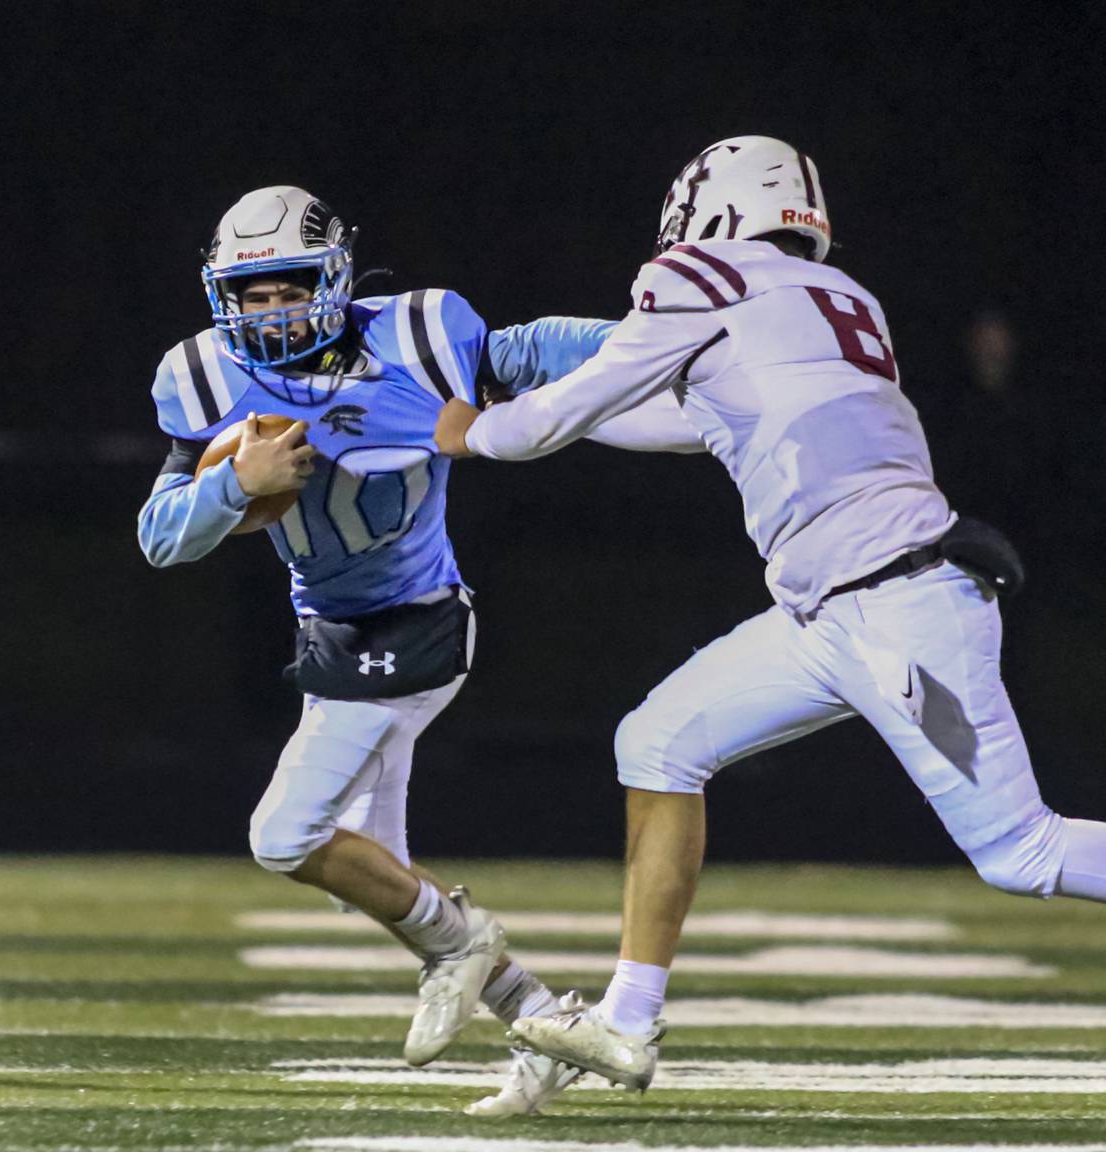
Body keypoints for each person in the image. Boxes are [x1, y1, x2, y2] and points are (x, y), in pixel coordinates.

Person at [435, 136, 1106, 1093]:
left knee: (1020, 850)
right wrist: (554, 397)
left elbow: (553, 420)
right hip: (831, 611)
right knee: (657, 741)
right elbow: (691, 421)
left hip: (899, 610)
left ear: (705, 209)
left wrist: (480, 432)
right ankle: (626, 1022)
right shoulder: (843, 300)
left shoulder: (695, 274)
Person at [138, 185, 689, 1115]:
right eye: (251, 294)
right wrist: (236, 484)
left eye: (288, 288)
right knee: (378, 876)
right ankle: (546, 1020)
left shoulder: (417, 336)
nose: (270, 314)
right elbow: (160, 537)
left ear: (335, 276)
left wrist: (673, 338)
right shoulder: (205, 378)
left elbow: (530, 350)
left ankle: (464, 945)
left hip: (419, 626)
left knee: (285, 838)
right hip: (330, 636)